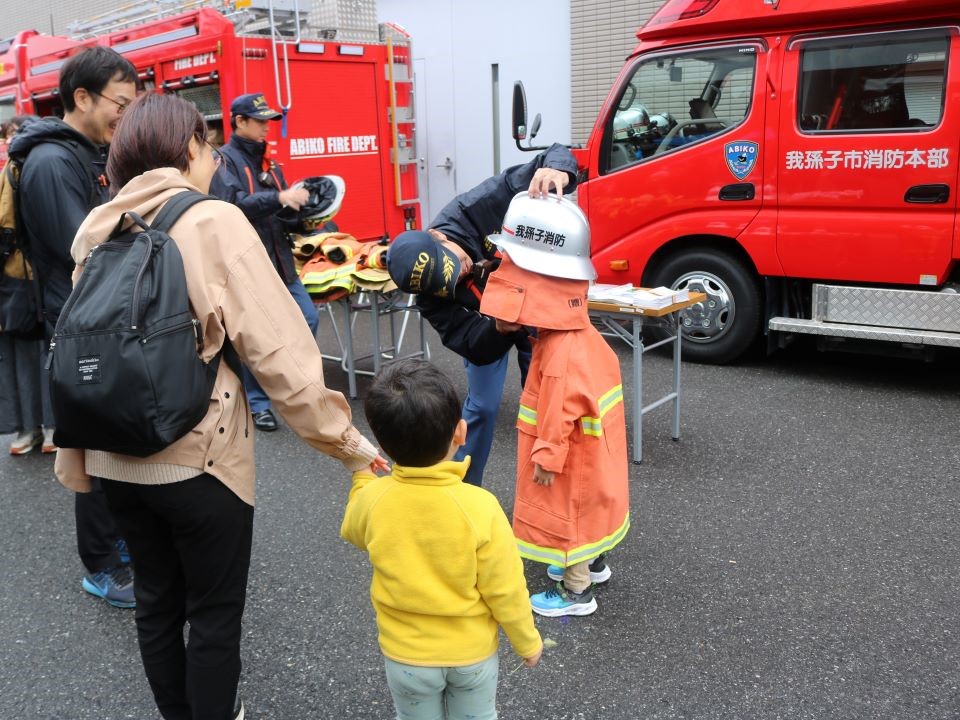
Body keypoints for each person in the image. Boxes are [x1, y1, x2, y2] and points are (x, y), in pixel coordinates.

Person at [55, 91, 385, 720]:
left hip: (114, 459)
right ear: (187, 150)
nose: (212, 160)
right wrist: (349, 446)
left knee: (156, 602)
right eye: (205, 147)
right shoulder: (212, 221)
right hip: (198, 460)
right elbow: (281, 357)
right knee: (212, 612)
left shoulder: (98, 229)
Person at [8, 47, 138, 608]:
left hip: (92, 316)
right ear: (81, 97)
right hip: (77, 323)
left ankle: (121, 543)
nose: (124, 117)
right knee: (94, 444)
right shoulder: (53, 162)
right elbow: (80, 244)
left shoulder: (82, 153)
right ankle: (101, 565)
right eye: (119, 104)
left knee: (113, 437)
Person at [342, 358, 542, 720]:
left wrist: (361, 475)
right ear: (461, 433)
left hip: (405, 657)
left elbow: (354, 529)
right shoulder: (480, 506)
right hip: (471, 655)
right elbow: (505, 587)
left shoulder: (374, 501)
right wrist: (526, 640)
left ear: (383, 443)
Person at [386, 143, 577, 486]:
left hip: (536, 304)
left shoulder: (474, 207)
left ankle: (549, 484)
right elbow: (470, 343)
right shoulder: (430, 298)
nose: (459, 276)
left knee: (542, 397)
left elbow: (554, 153)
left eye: (455, 265)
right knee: (483, 408)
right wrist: (499, 329)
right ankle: (465, 490)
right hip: (491, 326)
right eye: (449, 283)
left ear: (437, 236)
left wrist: (558, 170)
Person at [479, 194, 630, 618]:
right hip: (592, 453)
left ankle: (575, 591)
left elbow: (558, 408)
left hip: (569, 456)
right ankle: (595, 561)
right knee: (590, 508)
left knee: (571, 516)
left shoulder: (561, 351)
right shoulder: (579, 335)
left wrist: (547, 454)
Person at [209, 92, 316, 433]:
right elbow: (232, 204)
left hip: (282, 263)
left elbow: (281, 212)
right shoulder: (223, 162)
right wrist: (279, 197)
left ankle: (282, 385)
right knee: (253, 338)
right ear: (239, 122)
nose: (267, 128)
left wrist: (306, 217)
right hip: (247, 265)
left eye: (269, 121)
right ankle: (259, 405)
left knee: (307, 320)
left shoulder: (270, 164)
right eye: (260, 121)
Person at [0, 114, 51, 456]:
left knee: (21, 353)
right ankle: (51, 429)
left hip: (17, 275)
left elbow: (5, 224)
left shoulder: (12, 170)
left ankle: (29, 429)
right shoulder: (56, 161)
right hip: (50, 273)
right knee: (50, 350)